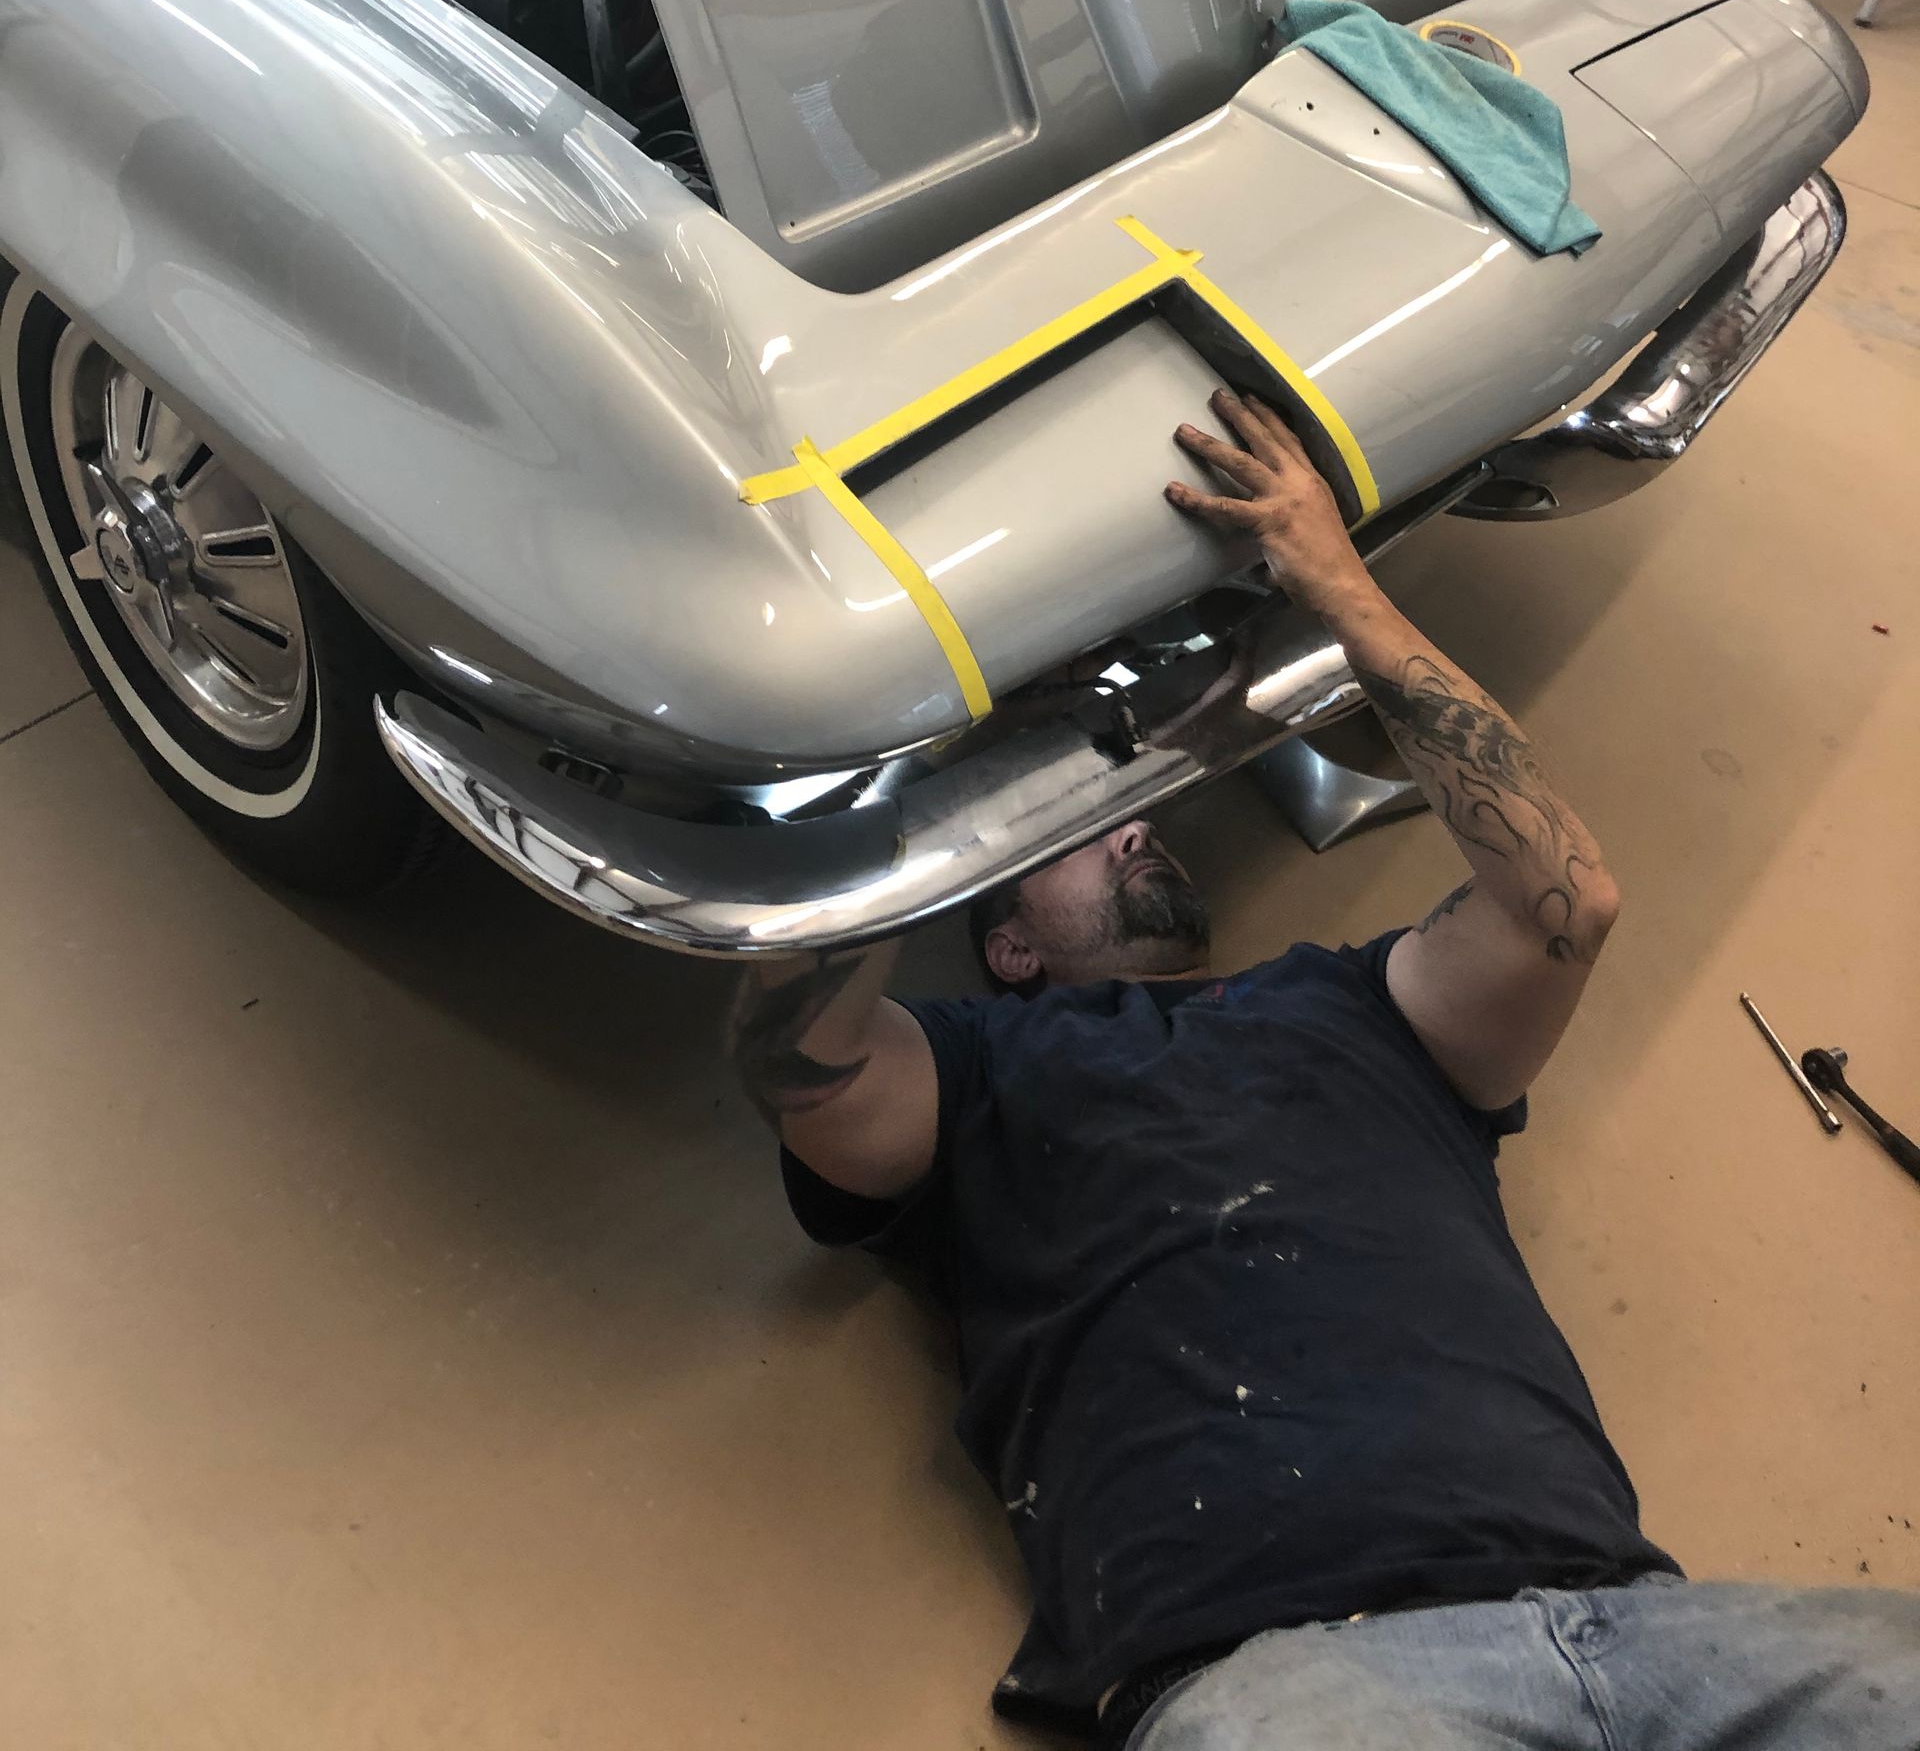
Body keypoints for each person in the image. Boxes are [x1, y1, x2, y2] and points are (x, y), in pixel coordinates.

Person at [728, 391, 1920, 1747]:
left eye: (1135, 814)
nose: (1131, 831)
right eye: (1076, 830)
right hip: (1301, 1670)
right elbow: (803, 1064)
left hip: (1657, 1628)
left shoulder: (1363, 1002)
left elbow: (1564, 900)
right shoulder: (977, 1066)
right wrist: (891, 713)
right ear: (1002, 944)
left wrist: (1339, 591)